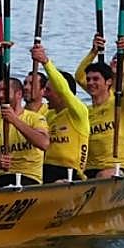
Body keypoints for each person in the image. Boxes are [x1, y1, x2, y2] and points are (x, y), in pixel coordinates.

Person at [74, 35, 124, 177]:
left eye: (119, 60)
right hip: (92, 163)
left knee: (104, 175)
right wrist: (94, 51)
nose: (115, 61)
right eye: (114, 58)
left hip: (121, 153)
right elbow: (79, 77)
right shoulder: (100, 91)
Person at [32, 43, 88, 183]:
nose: (44, 94)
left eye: (48, 90)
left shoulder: (78, 113)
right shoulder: (48, 116)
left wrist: (45, 62)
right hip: (46, 170)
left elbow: (64, 89)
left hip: (69, 172)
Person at [0, 75, 49, 187]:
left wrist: (14, 120)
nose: (1, 95)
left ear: (18, 94)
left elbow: (44, 143)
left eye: (5, 91)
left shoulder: (35, 118)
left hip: (28, 177)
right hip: (0, 178)